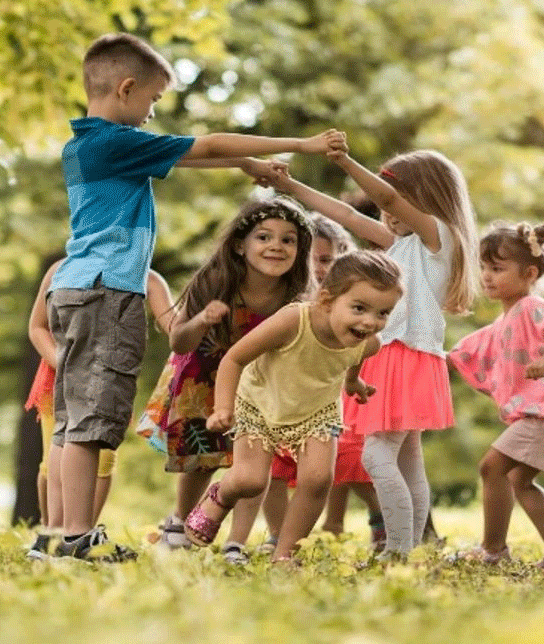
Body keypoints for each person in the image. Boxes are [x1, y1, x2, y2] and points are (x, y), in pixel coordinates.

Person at [45, 31, 345, 561]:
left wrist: (246, 167)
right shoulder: (114, 141)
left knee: (75, 422)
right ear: (127, 88)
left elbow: (190, 158)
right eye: (153, 101)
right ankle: (73, 538)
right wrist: (299, 145)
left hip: (74, 290)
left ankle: (67, 535)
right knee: (94, 423)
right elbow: (204, 145)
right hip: (104, 291)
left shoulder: (88, 145)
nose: (152, 113)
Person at [266, 149, 479, 558]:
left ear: (428, 198)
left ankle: (397, 551)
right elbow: (349, 218)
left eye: (399, 198)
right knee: (407, 462)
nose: (387, 212)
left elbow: (387, 201)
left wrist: (345, 161)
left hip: (405, 357)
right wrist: (288, 186)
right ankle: (410, 549)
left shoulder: (439, 238)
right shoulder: (402, 245)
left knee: (376, 455)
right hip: (394, 358)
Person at [182, 251, 404, 562]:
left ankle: (285, 554)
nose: (370, 322)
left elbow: (356, 359)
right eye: (359, 308)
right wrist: (222, 408)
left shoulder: (369, 342)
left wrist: (353, 384)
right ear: (326, 300)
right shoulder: (293, 320)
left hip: (317, 413)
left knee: (317, 480)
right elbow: (235, 357)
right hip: (260, 403)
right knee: (251, 480)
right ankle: (222, 494)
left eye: (383, 313)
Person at [135, 197, 314, 563]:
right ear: (239, 245)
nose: (276, 247)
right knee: (204, 457)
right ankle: (180, 522)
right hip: (204, 374)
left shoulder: (297, 295)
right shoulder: (216, 280)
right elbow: (179, 339)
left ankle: (236, 541)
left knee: (253, 464)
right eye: (264, 237)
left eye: (288, 240)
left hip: (260, 381)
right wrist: (202, 319)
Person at [449, 222, 544, 569]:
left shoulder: (532, 308)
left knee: (492, 467)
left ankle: (493, 549)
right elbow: (464, 353)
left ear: (529, 273)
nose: (487, 276)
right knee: (518, 481)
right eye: (484, 268)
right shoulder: (505, 321)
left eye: (497, 269)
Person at [25, 259, 177, 558]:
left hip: (108, 381)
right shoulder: (61, 270)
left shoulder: (146, 278)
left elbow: (175, 324)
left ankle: (82, 535)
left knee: (102, 459)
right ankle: (52, 532)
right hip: (58, 380)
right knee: (54, 455)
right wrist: (67, 365)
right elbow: (37, 327)